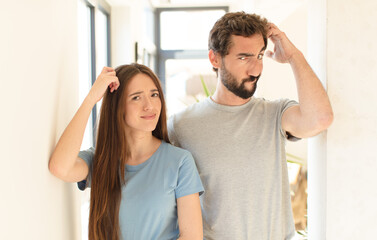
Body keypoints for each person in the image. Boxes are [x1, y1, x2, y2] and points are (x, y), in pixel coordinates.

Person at [167, 12, 333, 240]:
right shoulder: (180, 126)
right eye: (244, 58)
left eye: (260, 56)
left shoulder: (275, 114)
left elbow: (320, 119)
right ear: (215, 59)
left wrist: (294, 56)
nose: (256, 70)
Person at [49, 63, 204, 240]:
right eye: (136, 98)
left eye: (154, 95)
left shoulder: (179, 162)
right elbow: (60, 167)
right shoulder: (99, 160)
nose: (149, 106)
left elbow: (191, 237)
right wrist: (91, 98)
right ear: (117, 106)